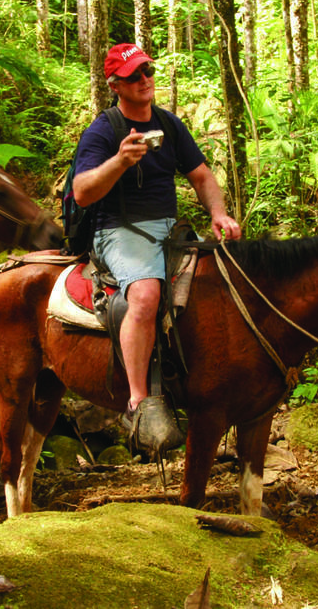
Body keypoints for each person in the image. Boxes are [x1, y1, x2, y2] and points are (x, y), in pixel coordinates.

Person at [72, 43, 242, 451]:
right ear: (116, 85)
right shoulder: (104, 130)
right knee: (145, 294)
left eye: (147, 70)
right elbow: (81, 192)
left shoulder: (169, 123)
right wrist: (119, 162)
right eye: (134, 76)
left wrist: (219, 214)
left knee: (227, 280)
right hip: (118, 229)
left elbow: (200, 176)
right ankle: (139, 399)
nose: (145, 80)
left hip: (169, 227)